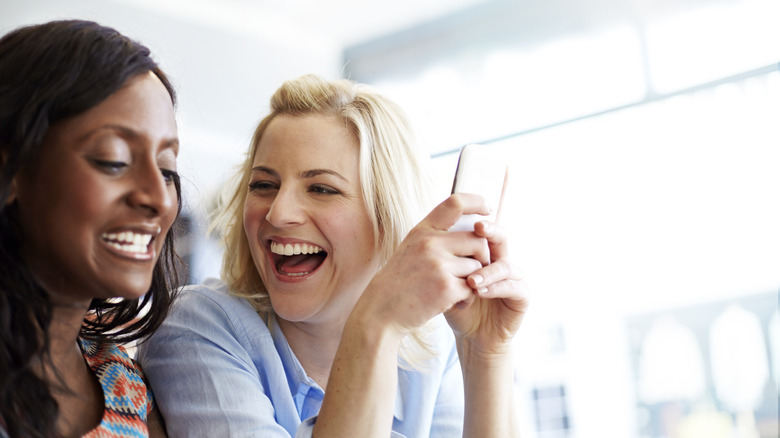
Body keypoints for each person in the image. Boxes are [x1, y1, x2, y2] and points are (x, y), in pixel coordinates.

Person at [138, 74, 527, 437]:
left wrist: (485, 352)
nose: (277, 213)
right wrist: (375, 323)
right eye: (264, 184)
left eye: (322, 189)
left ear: (388, 215)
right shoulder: (197, 326)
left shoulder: (433, 348)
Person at [0, 20, 182, 438]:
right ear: (11, 171)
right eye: (113, 160)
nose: (158, 197)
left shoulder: (127, 386)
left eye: (168, 169)